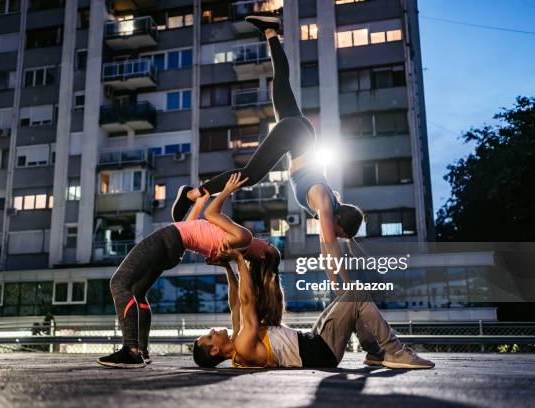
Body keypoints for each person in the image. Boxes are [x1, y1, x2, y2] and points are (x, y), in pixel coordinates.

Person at [172, 15, 362, 285]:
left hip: (303, 132)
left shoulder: (328, 202)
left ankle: (271, 31)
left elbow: (327, 245)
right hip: (296, 136)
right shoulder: (323, 201)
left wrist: (340, 283)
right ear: (340, 220)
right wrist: (345, 287)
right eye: (340, 232)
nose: (334, 232)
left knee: (281, 80)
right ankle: (192, 192)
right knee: (251, 175)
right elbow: (330, 247)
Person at [98, 174, 282, 369]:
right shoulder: (231, 250)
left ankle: (131, 351)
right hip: (176, 247)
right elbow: (189, 228)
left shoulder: (244, 237)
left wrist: (228, 190)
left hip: (169, 239)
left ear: (261, 255)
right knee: (138, 293)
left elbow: (212, 214)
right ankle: (141, 351)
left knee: (119, 283)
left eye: (268, 244)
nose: (265, 240)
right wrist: (200, 203)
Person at [192, 248, 435, 370]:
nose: (213, 330)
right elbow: (246, 302)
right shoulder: (243, 346)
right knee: (357, 294)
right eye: (210, 335)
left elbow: (235, 302)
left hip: (312, 340)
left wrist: (226, 267)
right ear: (214, 351)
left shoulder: (238, 342)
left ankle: (374, 353)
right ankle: (395, 352)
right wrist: (237, 258)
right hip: (321, 352)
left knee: (349, 299)